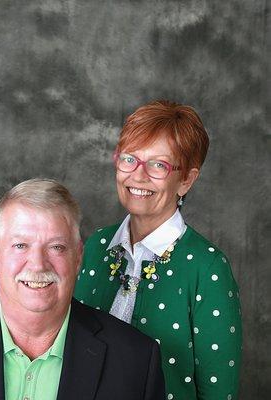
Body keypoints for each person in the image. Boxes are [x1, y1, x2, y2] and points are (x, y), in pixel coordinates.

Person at [0, 178, 166, 400]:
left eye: (56, 247)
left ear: (78, 258)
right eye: (20, 245)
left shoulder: (137, 360)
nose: (37, 264)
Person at [74, 100, 242, 400]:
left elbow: (218, 390)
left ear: (186, 180)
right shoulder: (97, 246)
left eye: (158, 165)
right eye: (129, 159)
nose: (138, 176)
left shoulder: (208, 268)